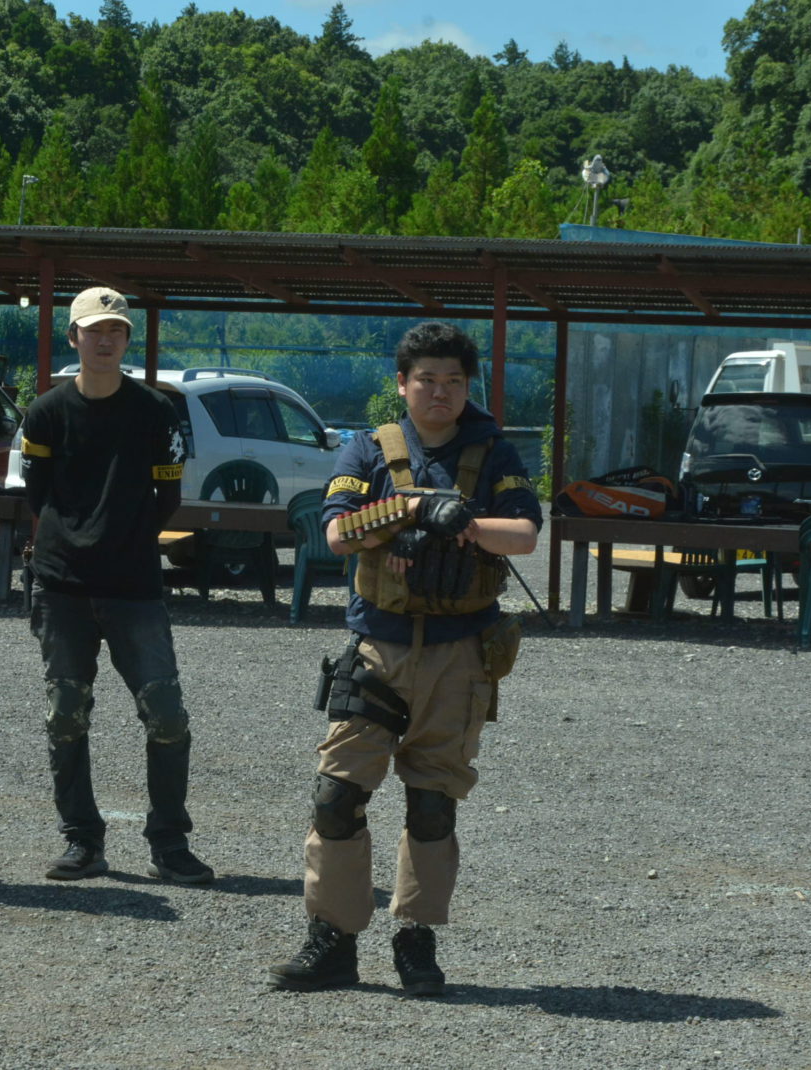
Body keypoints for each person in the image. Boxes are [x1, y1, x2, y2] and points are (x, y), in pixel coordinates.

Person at [269, 321, 540, 997]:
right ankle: (333, 940)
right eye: (426, 380)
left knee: (432, 803)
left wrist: (464, 522)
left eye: (453, 381)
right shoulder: (367, 449)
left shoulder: (493, 452)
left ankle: (416, 941)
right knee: (337, 795)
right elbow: (338, 531)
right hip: (378, 649)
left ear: (468, 386)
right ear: (401, 384)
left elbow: (524, 534)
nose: (439, 392)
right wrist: (414, 511)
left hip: (459, 655)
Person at [20, 287, 212, 885]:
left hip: (134, 587)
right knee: (65, 715)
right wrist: (74, 541)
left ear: (127, 339)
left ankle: (169, 843)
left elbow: (168, 494)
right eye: (94, 330)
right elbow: (36, 493)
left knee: (166, 715)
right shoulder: (45, 412)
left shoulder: (156, 411)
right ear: (73, 337)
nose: (104, 341)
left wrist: (126, 539)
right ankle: (82, 840)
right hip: (61, 587)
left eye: (115, 331)